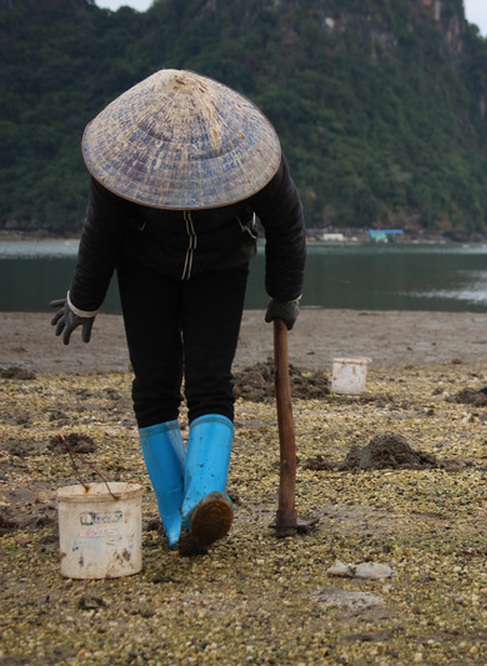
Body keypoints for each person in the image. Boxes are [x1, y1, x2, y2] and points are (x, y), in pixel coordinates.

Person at [50, 69, 307, 555]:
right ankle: (177, 521)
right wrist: (82, 301)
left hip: (221, 264)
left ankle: (201, 501)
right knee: (153, 384)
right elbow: (101, 233)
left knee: (211, 379)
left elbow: (286, 222)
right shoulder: (126, 156)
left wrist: (285, 292)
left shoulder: (249, 152)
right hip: (145, 265)